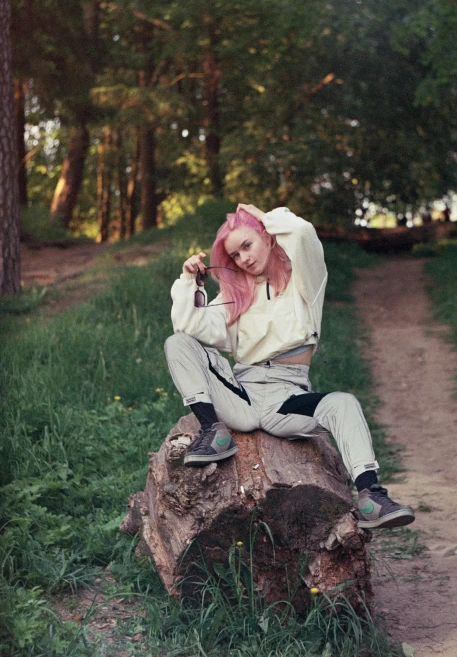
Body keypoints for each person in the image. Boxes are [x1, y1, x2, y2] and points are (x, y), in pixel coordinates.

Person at [164, 203, 415, 530]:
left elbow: (302, 233)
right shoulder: (236, 295)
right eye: (236, 255)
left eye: (247, 245)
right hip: (241, 395)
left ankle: (371, 497)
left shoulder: (305, 280)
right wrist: (189, 282)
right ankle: (214, 432)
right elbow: (187, 326)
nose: (244, 259)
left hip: (288, 398)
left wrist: (263, 215)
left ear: (267, 237)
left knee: (344, 403)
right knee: (177, 342)